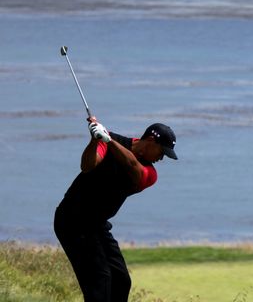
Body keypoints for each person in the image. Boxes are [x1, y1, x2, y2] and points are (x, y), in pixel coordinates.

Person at [54, 117, 178, 302]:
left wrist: (108, 140)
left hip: (96, 224)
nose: (161, 158)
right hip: (72, 220)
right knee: (100, 280)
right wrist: (95, 140)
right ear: (151, 141)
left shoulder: (150, 174)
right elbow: (87, 165)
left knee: (121, 281)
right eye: (162, 152)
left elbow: (133, 167)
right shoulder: (108, 140)